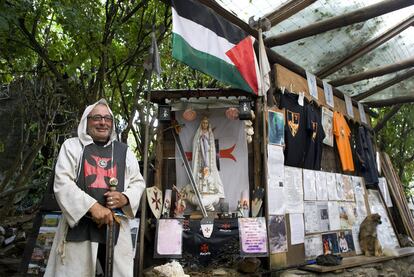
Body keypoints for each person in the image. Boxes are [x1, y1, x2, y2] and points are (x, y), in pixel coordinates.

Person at [45, 99, 145, 277]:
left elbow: (137, 182)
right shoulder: (72, 147)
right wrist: (93, 207)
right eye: (97, 117)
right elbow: (62, 183)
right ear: (86, 120)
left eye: (107, 118)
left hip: (116, 226)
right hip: (80, 226)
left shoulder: (124, 151)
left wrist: (125, 198)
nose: (103, 122)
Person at [183, 116, 225, 211]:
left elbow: (212, 147)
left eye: (206, 123)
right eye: (203, 123)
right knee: (199, 173)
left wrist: (206, 143)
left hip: (208, 156)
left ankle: (208, 196)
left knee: (209, 173)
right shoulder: (198, 134)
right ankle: (198, 189)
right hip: (200, 158)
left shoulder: (210, 134)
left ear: (208, 124)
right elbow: (195, 145)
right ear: (201, 124)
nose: (205, 125)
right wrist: (199, 141)